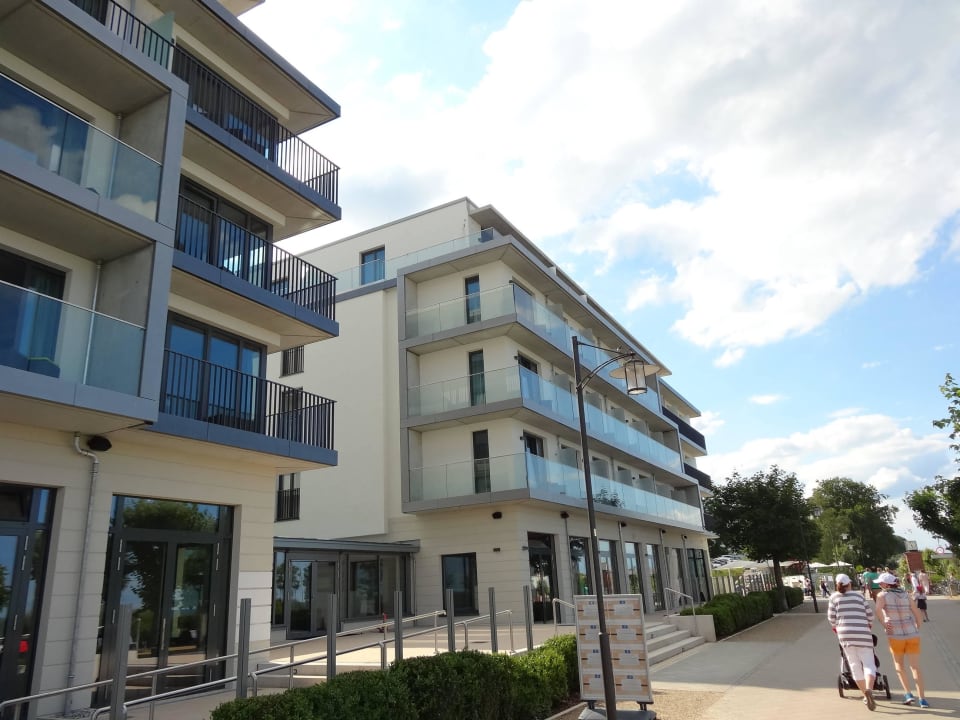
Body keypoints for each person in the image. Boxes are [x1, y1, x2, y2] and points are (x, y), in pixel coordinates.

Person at [876, 572, 929, 708]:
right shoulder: (906, 595)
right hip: (912, 634)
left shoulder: (882, 595)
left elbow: (878, 610)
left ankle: (908, 694)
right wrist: (917, 626)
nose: (880, 586)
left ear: (887, 584)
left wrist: (884, 623)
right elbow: (917, 612)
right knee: (915, 667)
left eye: (881, 583)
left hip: (895, 635)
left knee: (899, 665)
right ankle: (922, 699)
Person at [828, 573, 878, 711]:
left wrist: (836, 628)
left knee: (854, 664)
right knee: (868, 663)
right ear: (849, 584)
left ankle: (864, 693)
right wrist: (868, 624)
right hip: (862, 632)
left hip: (844, 634)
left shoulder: (833, 598)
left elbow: (831, 618)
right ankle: (869, 689)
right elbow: (870, 615)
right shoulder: (859, 596)